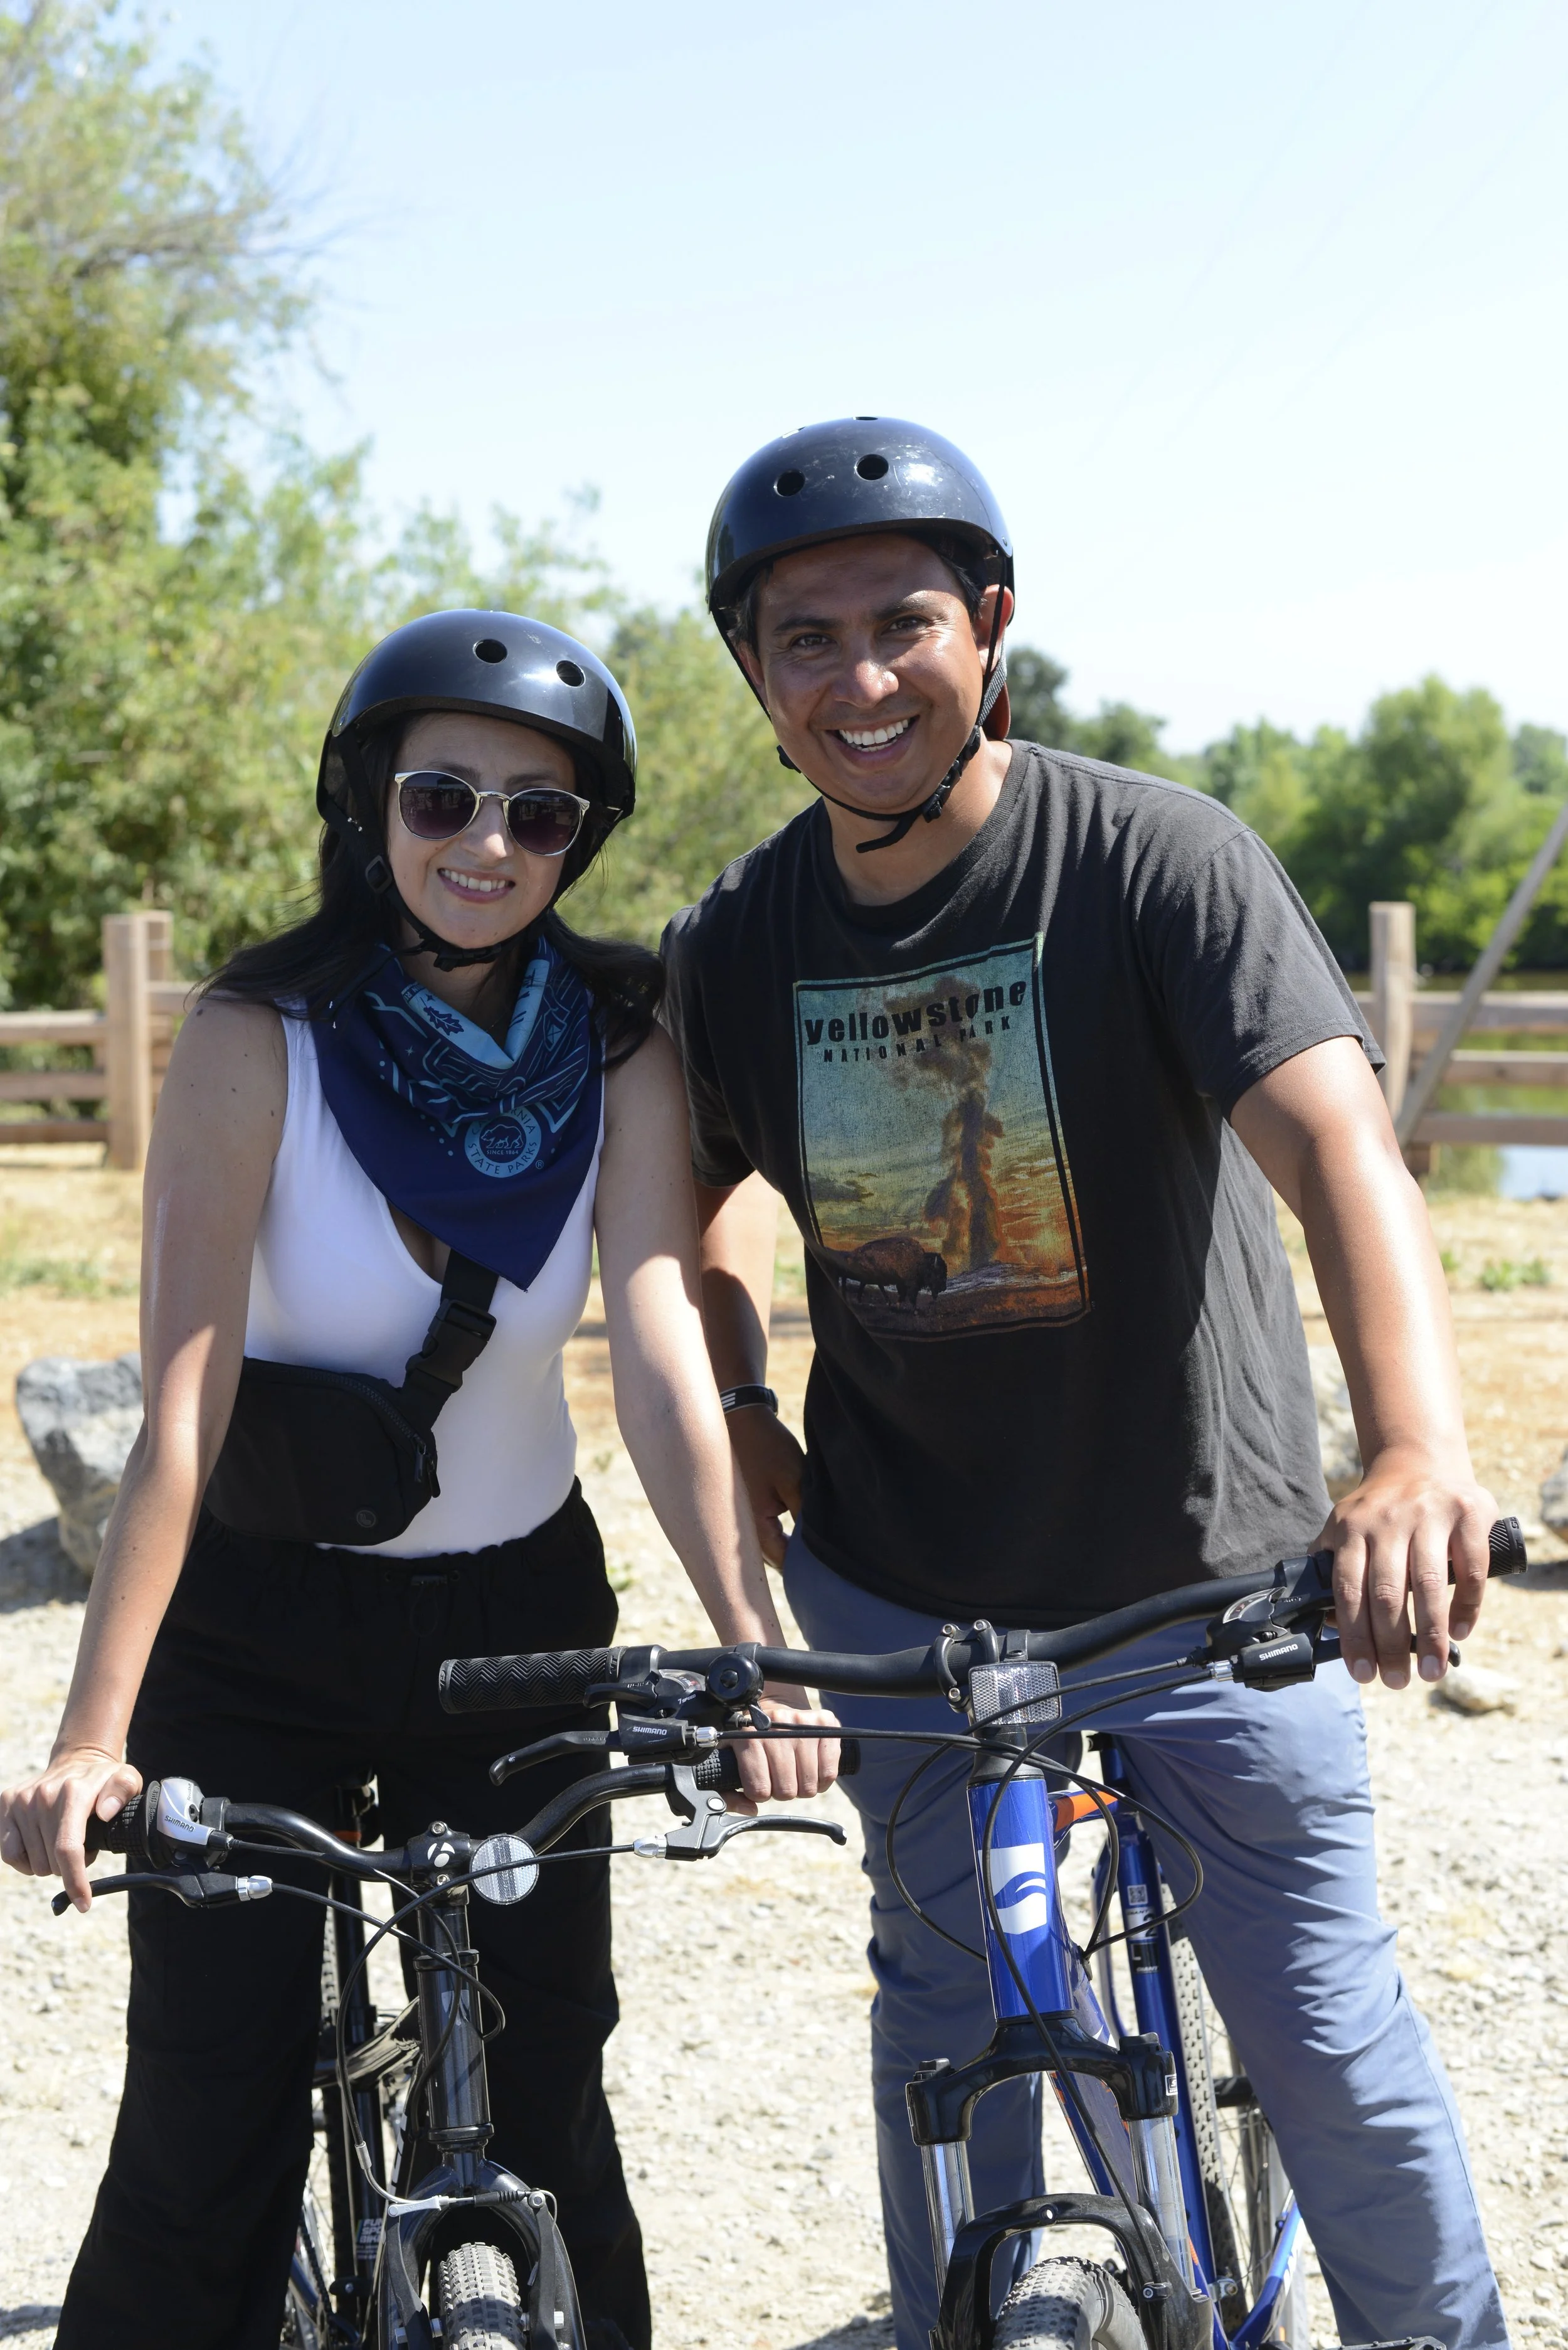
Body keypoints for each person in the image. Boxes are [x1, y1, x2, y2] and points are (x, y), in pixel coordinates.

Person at [660, 420, 1507, 2350]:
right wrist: (750, 1409)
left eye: (903, 622)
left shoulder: (1150, 856)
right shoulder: (735, 944)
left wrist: (1412, 1450)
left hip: (1205, 1580)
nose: (859, 677)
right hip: (904, 1595)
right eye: (805, 640)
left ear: (993, 629)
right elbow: (689, 1220)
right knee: (943, 2032)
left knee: (1321, 2042)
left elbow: (1338, 1155)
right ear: (755, 677)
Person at [0, 609, 836, 2350]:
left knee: (551, 2108)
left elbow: (664, 1363)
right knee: (204, 2123)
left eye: (539, 815)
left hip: (516, 1619)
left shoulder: (619, 1042)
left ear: (578, 842)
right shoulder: (257, 1035)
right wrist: (96, 1734)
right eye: (443, 796)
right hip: (256, 1628)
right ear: (369, 804)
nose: (485, 845)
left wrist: (750, 1637)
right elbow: (182, 1402)